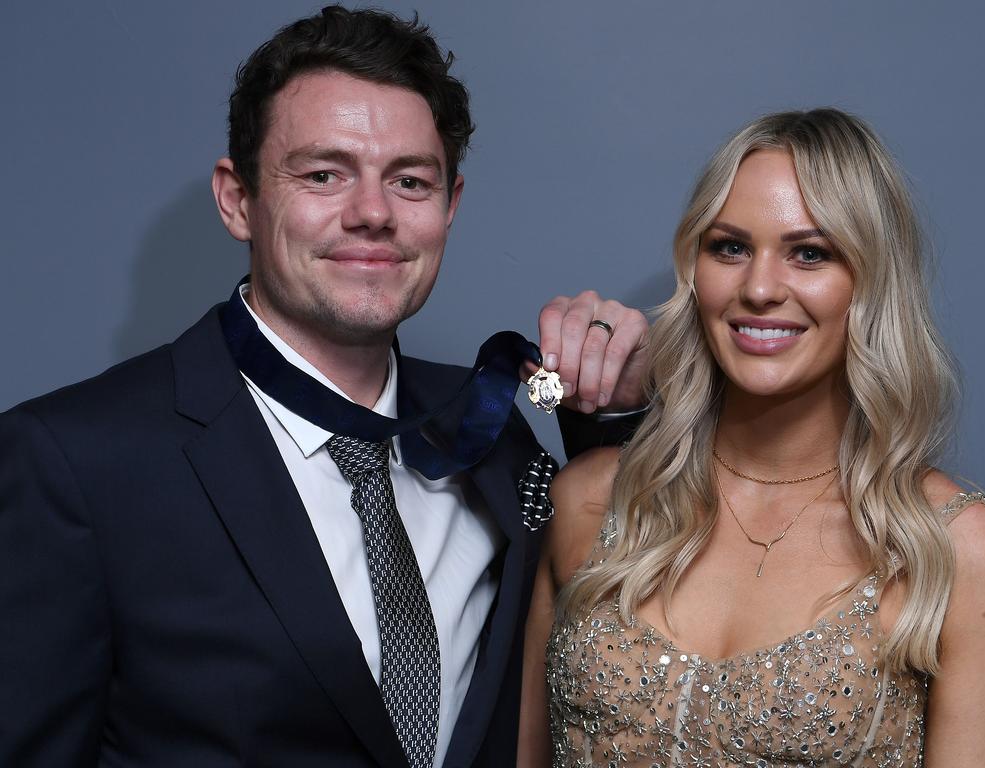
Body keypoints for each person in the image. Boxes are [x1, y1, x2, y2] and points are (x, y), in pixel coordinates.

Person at [0, 7, 651, 767]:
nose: (372, 213)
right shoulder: (74, 461)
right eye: (323, 175)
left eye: (410, 180)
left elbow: (615, 599)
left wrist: (616, 410)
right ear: (238, 199)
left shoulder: (492, 423)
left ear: (451, 206)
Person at [519, 108, 985, 766]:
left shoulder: (958, 551)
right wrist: (571, 386)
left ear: (870, 281)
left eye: (809, 254)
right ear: (695, 271)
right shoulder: (588, 502)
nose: (759, 288)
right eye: (729, 247)